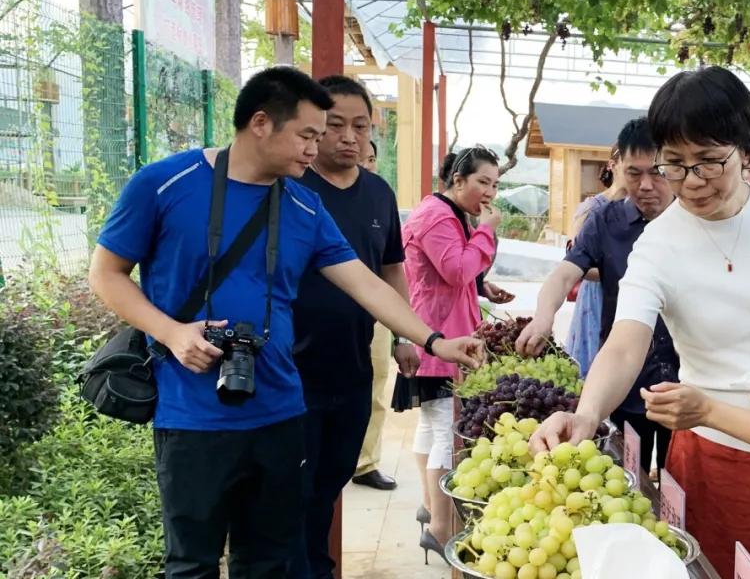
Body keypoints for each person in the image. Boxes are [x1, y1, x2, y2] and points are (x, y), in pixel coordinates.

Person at [87, 66, 483, 578]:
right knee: (191, 564)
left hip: (280, 411)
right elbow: (107, 274)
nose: (316, 149)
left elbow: (365, 283)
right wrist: (171, 332)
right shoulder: (165, 184)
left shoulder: (304, 205)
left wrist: (433, 340)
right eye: (308, 135)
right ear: (260, 123)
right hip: (192, 417)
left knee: (270, 561)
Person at [530, 67, 750, 578]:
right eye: (675, 165)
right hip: (707, 449)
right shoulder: (659, 243)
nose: (691, 182)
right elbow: (625, 344)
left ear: (745, 148)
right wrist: (586, 414)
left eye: (710, 162)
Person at [289, 76, 410, 578]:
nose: (349, 137)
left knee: (329, 484)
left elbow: (392, 269)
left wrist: (404, 336)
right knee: (292, 493)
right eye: (334, 125)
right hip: (290, 373)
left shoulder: (379, 193)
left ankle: (316, 567)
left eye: (360, 126)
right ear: (314, 129)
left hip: (353, 367)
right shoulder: (290, 187)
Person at [517, 118, 679, 476]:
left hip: (684, 386)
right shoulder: (605, 220)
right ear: (617, 166)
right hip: (623, 380)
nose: (647, 186)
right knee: (625, 474)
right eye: (634, 173)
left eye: (658, 173)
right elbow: (564, 274)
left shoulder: (694, 224)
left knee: (677, 483)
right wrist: (544, 315)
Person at [392, 146, 502, 564]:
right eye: (482, 182)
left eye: (494, 183)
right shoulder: (438, 215)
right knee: (444, 428)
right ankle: (441, 527)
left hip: (437, 331)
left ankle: (429, 505)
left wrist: (483, 288)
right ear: (458, 181)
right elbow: (456, 269)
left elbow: (447, 273)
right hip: (440, 338)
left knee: (431, 422)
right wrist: (487, 230)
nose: (490, 192)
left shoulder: (444, 212)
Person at [351, 134, 400, 494]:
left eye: (370, 160)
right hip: (328, 314)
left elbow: (393, 266)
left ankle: (365, 462)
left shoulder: (380, 196)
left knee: (376, 384)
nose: (364, 166)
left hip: (376, 312)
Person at [564, 143, 626, 375]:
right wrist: (618, 272)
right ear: (613, 165)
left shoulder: (645, 210)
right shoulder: (592, 208)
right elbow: (576, 264)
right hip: (598, 299)